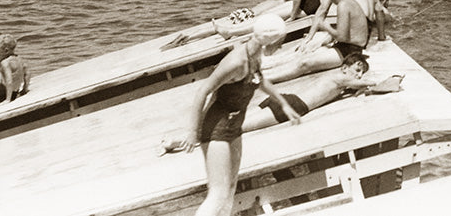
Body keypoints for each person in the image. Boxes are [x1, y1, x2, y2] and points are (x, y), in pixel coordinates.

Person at [174, 15, 301, 216]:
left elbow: (260, 81)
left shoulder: (255, 53)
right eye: (280, 42)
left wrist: (284, 104)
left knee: (231, 189)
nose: (281, 47)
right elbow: (203, 91)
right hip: (216, 127)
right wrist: (192, 132)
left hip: (234, 125)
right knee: (217, 194)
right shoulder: (236, 62)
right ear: (270, 40)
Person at [161, 55, 386, 154]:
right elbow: (371, 82)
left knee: (233, 123)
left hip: (286, 99)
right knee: (235, 128)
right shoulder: (340, 77)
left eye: (360, 72)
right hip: (293, 105)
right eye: (357, 70)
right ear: (345, 68)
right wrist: (371, 80)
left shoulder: (338, 78)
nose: (358, 75)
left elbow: (359, 85)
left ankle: (182, 136)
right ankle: (180, 140)